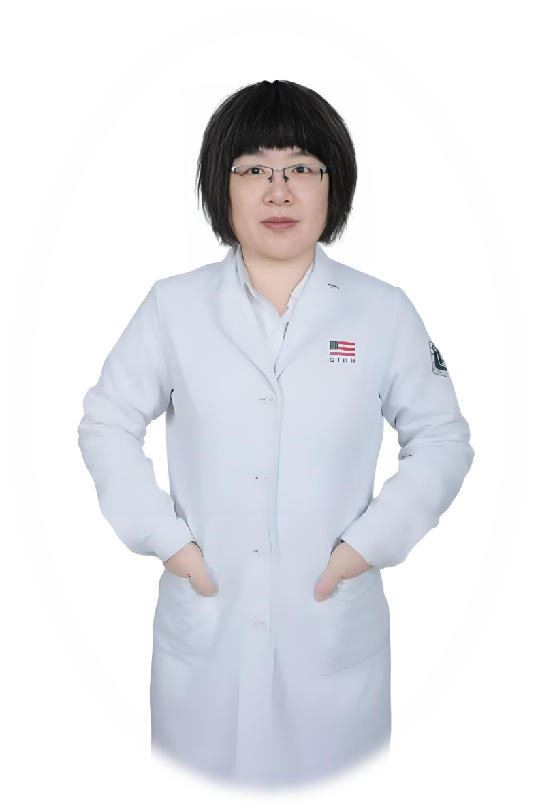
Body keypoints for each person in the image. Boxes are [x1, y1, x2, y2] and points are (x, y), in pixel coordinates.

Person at [77, 79, 475, 802]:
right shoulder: (173, 307)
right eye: (254, 168)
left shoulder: (382, 312)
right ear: (222, 188)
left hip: (330, 624)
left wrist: (365, 548)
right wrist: (169, 543)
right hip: (210, 619)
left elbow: (443, 438)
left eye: (301, 167)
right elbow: (107, 421)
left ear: (333, 185)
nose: (279, 189)